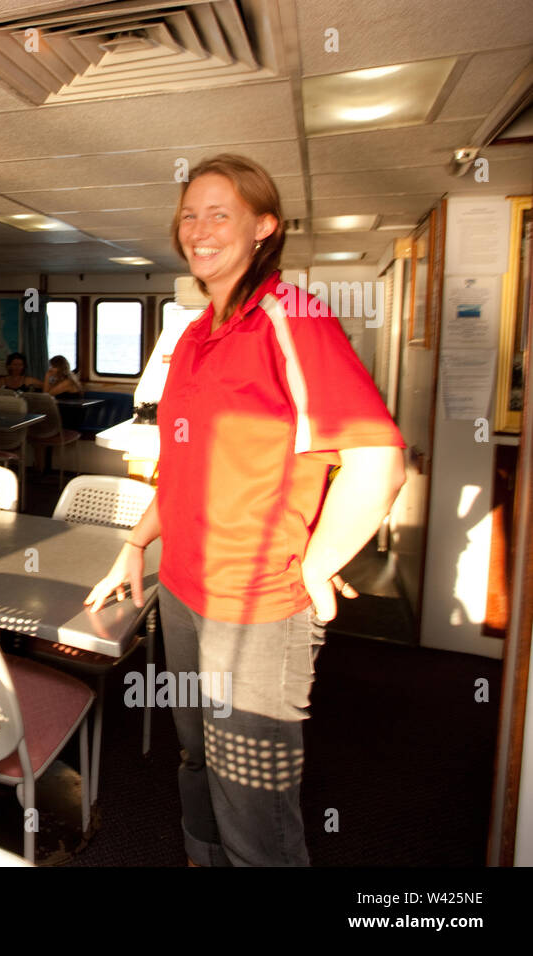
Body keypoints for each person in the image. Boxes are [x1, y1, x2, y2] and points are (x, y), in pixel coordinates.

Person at [84, 154, 405, 867]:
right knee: (197, 760)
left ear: (264, 227)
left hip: (258, 605)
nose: (197, 230)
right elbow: (185, 470)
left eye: (218, 213)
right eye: (188, 214)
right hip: (186, 593)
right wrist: (135, 545)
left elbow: (380, 457)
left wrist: (320, 563)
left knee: (251, 802)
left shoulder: (294, 318)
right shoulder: (196, 334)